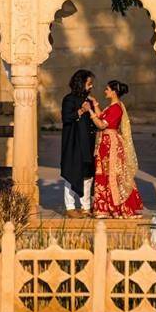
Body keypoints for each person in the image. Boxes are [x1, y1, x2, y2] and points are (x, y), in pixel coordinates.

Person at [89, 80, 144, 219]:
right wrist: (95, 104)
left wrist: (89, 111)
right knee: (105, 174)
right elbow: (102, 117)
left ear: (114, 92)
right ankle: (104, 208)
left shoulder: (116, 108)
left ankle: (116, 208)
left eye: (107, 89)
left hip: (111, 145)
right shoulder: (112, 107)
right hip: (105, 144)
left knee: (113, 175)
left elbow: (101, 125)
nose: (105, 91)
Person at [60, 69, 96, 218]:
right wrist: (81, 110)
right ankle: (70, 207)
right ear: (81, 84)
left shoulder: (89, 100)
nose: (91, 86)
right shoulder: (69, 99)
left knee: (88, 174)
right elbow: (66, 118)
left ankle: (85, 206)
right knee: (72, 173)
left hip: (88, 142)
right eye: (89, 83)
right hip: (74, 143)